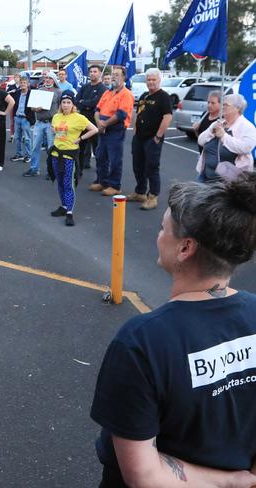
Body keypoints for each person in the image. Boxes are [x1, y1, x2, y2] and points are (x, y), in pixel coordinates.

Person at [90, 173, 256, 488]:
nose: (158, 236)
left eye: (163, 229)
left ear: (185, 248)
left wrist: (228, 482)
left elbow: (143, 475)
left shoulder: (142, 341)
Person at [48, 92, 98, 226]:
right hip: (56, 154)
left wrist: (80, 139)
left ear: (73, 104)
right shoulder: (56, 116)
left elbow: (94, 129)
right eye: (63, 102)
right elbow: (54, 130)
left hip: (69, 155)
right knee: (59, 182)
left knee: (68, 184)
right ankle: (64, 206)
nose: (65, 105)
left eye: (68, 102)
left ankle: (70, 212)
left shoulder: (79, 118)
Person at [129, 68, 173, 210]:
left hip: (152, 138)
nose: (151, 82)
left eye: (154, 79)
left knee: (151, 167)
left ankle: (153, 196)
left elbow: (167, 117)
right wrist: (135, 130)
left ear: (159, 80)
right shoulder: (144, 96)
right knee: (138, 166)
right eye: (149, 80)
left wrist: (158, 136)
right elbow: (138, 112)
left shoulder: (164, 97)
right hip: (139, 137)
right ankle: (140, 192)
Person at [89, 66, 134, 196]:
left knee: (115, 159)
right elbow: (97, 109)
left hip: (115, 130)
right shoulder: (108, 92)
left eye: (117, 74)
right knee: (100, 156)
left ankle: (115, 185)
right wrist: (99, 123)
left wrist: (105, 124)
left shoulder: (126, 94)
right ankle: (102, 181)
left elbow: (121, 114)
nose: (114, 76)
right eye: (113, 74)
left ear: (124, 77)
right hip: (102, 128)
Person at [196, 94, 256, 183]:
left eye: (226, 105)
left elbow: (245, 148)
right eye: (222, 104)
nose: (222, 107)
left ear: (237, 108)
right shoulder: (218, 123)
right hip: (206, 177)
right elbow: (200, 141)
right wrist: (211, 131)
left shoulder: (247, 127)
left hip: (231, 183)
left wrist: (224, 136)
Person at [25, 71, 61, 178]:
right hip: (39, 122)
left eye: (50, 78)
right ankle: (34, 168)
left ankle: (51, 171)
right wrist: (35, 108)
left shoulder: (58, 92)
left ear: (54, 80)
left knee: (51, 148)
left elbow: (60, 106)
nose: (47, 80)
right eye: (46, 78)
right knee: (35, 146)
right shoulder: (39, 91)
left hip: (51, 123)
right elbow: (31, 106)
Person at [75, 64, 106, 169]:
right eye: (91, 72)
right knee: (81, 145)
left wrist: (84, 102)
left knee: (97, 147)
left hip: (95, 120)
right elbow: (76, 100)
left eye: (95, 71)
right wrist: (85, 103)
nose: (92, 73)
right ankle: (79, 170)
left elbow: (96, 103)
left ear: (100, 73)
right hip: (83, 119)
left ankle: (100, 172)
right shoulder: (85, 87)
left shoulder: (103, 88)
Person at [9, 76, 34, 164]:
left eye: (24, 83)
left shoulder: (31, 94)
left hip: (25, 118)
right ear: (19, 84)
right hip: (17, 117)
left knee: (27, 138)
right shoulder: (17, 93)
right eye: (21, 83)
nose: (23, 84)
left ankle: (28, 155)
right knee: (17, 137)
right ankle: (19, 154)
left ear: (28, 84)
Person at [6, 73, 22, 142]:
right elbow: (6, 94)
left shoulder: (22, 86)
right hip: (12, 105)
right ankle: (12, 135)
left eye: (17, 77)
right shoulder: (11, 86)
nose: (16, 79)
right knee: (12, 121)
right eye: (15, 77)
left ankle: (22, 136)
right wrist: (10, 91)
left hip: (20, 105)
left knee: (21, 121)